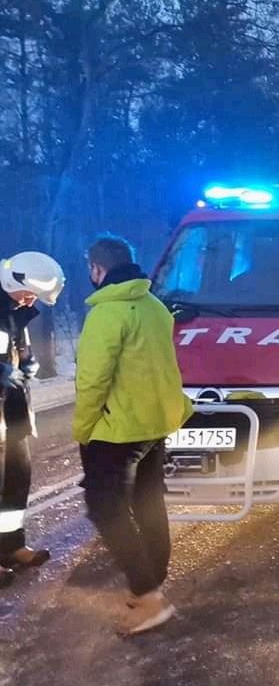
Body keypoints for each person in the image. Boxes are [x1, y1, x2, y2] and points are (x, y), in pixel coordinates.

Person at [74, 236, 192, 635]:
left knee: (104, 505)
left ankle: (149, 597)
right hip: (155, 424)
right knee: (147, 502)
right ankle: (152, 585)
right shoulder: (155, 307)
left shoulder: (106, 314)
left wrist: (84, 429)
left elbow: (92, 381)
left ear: (97, 269)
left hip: (119, 429)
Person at [0, 252, 66, 586]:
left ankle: (10, 546)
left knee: (16, 478)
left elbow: (16, 354)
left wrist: (26, 367)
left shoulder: (14, 313)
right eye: (27, 294)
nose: (30, 300)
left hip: (12, 412)